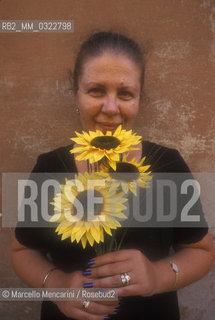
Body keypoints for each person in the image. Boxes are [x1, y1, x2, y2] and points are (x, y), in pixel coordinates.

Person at [11, 31, 214, 320]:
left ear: (140, 98)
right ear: (76, 94)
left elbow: (201, 251)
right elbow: (22, 251)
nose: (110, 108)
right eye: (96, 90)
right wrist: (57, 285)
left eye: (125, 93)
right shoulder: (50, 168)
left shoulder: (166, 166)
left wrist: (157, 275)